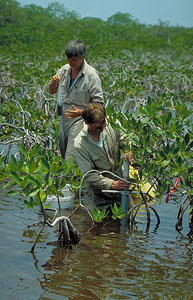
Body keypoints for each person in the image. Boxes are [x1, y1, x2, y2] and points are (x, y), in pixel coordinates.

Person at [49, 39, 104, 161]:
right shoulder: (63, 70)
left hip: (80, 120)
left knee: (71, 158)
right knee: (64, 155)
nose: (70, 61)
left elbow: (99, 105)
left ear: (83, 57)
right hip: (63, 120)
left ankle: (70, 180)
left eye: (74, 59)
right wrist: (54, 83)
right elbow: (51, 91)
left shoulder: (91, 75)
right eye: (68, 58)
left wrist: (82, 112)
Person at [74, 102, 131, 210]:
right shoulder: (79, 143)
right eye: (98, 128)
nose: (102, 130)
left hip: (120, 185)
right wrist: (112, 184)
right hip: (96, 194)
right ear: (87, 123)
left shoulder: (113, 124)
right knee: (95, 225)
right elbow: (88, 174)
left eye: (103, 125)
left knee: (128, 218)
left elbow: (125, 139)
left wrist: (128, 150)